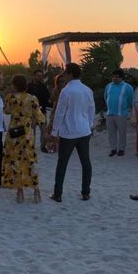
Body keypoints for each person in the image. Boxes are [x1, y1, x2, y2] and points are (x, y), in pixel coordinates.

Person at [49, 63, 95, 202]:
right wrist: (89, 125)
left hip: (68, 132)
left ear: (70, 74)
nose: (63, 75)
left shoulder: (66, 91)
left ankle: (57, 194)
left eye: (65, 73)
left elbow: (60, 113)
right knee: (85, 162)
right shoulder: (87, 90)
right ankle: (86, 192)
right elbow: (91, 109)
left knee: (62, 163)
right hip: (84, 130)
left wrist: (54, 131)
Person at [1, 74, 46, 203]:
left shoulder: (10, 98)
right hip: (27, 133)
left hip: (14, 133)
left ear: (14, 85)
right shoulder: (32, 99)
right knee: (30, 161)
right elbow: (39, 116)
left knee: (16, 162)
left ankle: (20, 193)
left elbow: (6, 111)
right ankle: (36, 191)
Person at [104, 69, 133, 156]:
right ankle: (113, 149)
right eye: (113, 77)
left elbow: (130, 99)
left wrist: (127, 110)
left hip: (122, 114)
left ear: (121, 77)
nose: (114, 78)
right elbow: (105, 97)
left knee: (122, 133)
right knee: (111, 133)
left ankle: (121, 149)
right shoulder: (108, 86)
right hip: (110, 114)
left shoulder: (127, 87)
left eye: (117, 77)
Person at [27, 69, 51, 153]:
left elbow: (47, 97)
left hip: (42, 111)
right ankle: (31, 147)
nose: (40, 77)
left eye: (41, 76)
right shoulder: (28, 86)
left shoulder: (43, 86)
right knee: (31, 131)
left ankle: (43, 146)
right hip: (32, 113)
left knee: (44, 130)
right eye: (38, 75)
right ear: (34, 76)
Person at [46, 73, 66, 153]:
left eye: (63, 81)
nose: (61, 83)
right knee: (52, 128)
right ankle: (53, 145)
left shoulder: (67, 89)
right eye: (60, 81)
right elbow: (51, 100)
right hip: (55, 110)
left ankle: (61, 145)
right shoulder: (55, 89)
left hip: (65, 111)